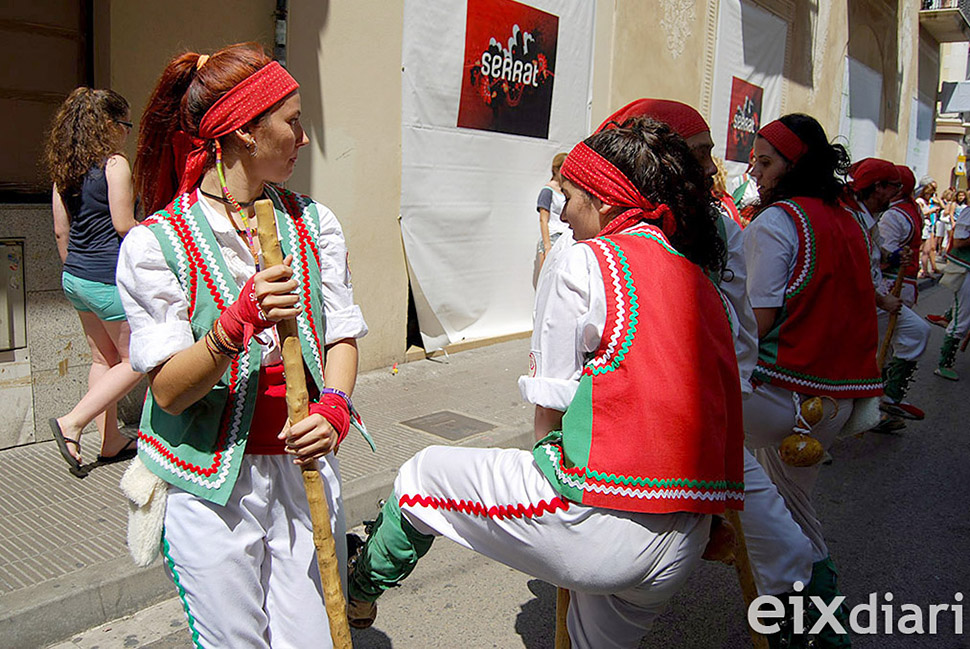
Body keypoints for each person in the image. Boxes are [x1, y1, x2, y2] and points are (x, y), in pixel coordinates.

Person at [349, 118, 744, 649]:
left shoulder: (580, 259)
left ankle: (359, 587)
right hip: (689, 536)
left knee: (423, 476)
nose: (561, 208)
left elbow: (548, 415)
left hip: (601, 518)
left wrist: (551, 513)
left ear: (602, 203)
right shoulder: (700, 281)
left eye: (569, 195)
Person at [117, 43, 369, 647]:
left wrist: (334, 407)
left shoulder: (315, 222)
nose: (303, 137)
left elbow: (341, 336)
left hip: (301, 468)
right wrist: (236, 325)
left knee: (310, 638)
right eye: (292, 120)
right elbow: (171, 393)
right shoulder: (156, 244)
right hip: (208, 485)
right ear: (246, 132)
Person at [744, 114, 884, 648]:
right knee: (793, 503)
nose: (754, 171)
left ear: (793, 165)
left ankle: (796, 609)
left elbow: (756, 322)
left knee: (706, 439)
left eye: (765, 161)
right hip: (836, 399)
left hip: (786, 394)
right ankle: (819, 617)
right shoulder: (848, 218)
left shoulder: (777, 222)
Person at [45, 87, 143, 477]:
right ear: (107, 125)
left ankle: (110, 442)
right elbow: (125, 226)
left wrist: (77, 271)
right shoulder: (114, 165)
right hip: (108, 278)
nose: (127, 133)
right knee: (137, 359)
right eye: (125, 124)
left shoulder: (65, 168)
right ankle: (73, 422)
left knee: (102, 360)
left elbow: (59, 233)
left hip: (76, 278)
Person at [841, 159, 929, 430]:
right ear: (878, 187)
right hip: (852, 305)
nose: (897, 194)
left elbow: (875, 256)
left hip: (874, 298)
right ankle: (823, 429)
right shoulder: (849, 217)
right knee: (845, 364)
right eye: (894, 187)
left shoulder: (873, 217)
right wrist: (881, 299)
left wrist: (894, 256)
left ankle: (885, 399)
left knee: (917, 332)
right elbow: (849, 273)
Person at [874, 165, 932, 421]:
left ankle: (886, 399)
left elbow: (882, 254)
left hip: (892, 288)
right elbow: (880, 255)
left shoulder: (896, 215)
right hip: (886, 289)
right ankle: (882, 401)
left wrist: (893, 256)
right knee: (878, 350)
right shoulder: (904, 213)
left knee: (887, 348)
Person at [934, 193, 970, 380]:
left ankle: (947, 316)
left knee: (963, 314)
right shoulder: (968, 213)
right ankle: (944, 363)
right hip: (966, 270)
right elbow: (958, 242)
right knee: (963, 318)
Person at [532, 152, 568, 286]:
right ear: (556, 169)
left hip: (566, 236)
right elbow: (543, 219)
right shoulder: (547, 190)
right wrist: (547, 246)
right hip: (552, 236)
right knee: (547, 278)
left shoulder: (566, 191)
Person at [917, 180, 941, 276]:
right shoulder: (919, 201)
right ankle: (919, 269)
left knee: (927, 250)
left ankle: (925, 270)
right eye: (929, 194)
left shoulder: (928, 202)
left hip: (929, 227)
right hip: (923, 226)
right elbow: (919, 214)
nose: (930, 197)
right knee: (920, 249)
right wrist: (931, 211)